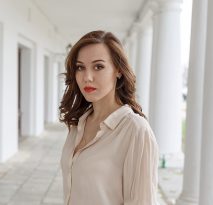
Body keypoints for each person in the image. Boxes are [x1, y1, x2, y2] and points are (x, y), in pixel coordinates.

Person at [59, 30, 159, 205]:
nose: (87, 77)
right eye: (80, 67)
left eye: (98, 66)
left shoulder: (135, 131)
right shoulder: (79, 123)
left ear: (118, 71)